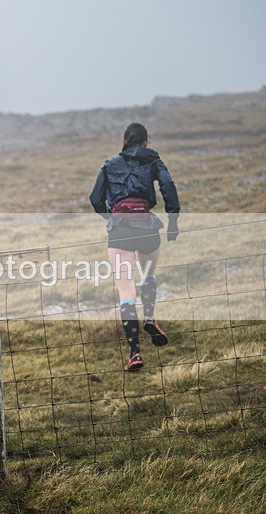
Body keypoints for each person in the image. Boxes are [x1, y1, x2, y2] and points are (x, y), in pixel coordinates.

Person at [89, 123, 180, 372]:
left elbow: (95, 199)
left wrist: (112, 219)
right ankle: (149, 317)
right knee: (148, 274)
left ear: (124, 140)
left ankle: (135, 353)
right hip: (148, 226)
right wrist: (173, 221)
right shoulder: (153, 161)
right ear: (145, 142)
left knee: (126, 290)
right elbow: (168, 187)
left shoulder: (109, 165)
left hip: (120, 230)